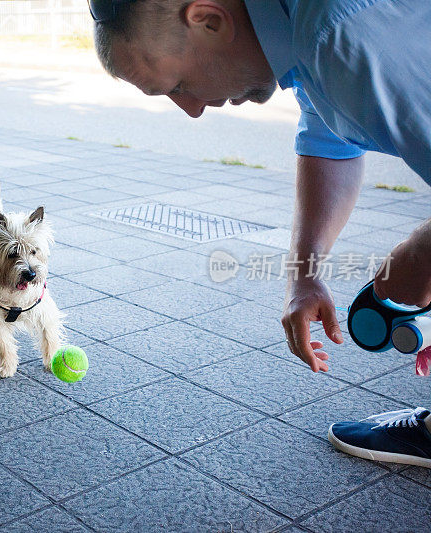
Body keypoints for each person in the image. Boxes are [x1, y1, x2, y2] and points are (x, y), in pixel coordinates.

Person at [89, 0, 431, 467]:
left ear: (209, 20)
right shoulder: (305, 33)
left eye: (179, 85)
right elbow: (332, 141)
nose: (190, 111)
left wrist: (422, 251)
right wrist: (304, 274)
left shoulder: (344, 33)